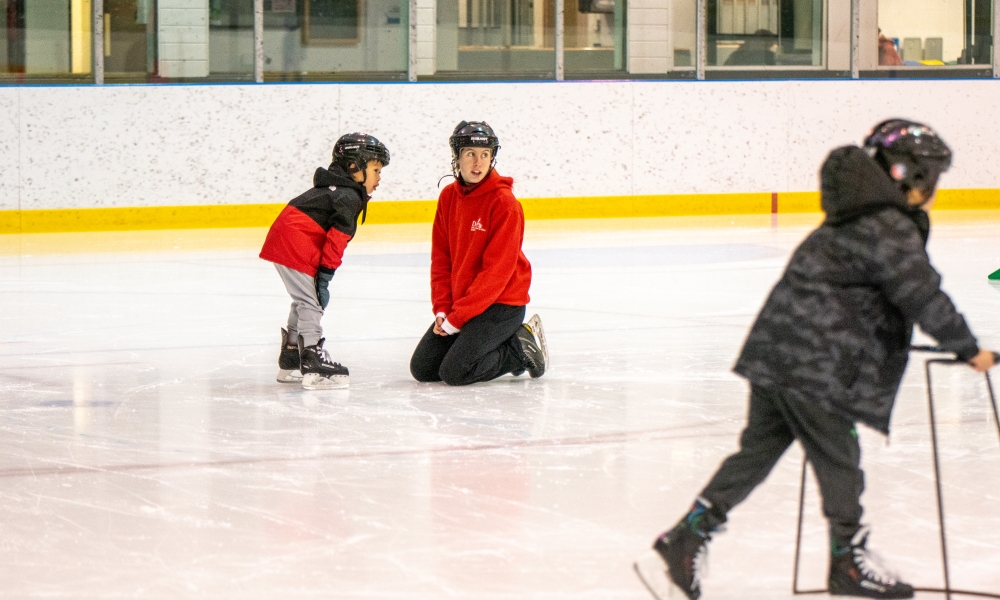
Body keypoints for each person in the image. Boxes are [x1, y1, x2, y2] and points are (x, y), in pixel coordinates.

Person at [633, 119, 996, 600]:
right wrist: (969, 348)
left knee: (757, 453)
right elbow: (921, 294)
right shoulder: (885, 223)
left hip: (776, 355)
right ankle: (847, 562)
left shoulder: (851, 215)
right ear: (909, 176)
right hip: (816, 365)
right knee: (840, 461)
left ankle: (686, 536)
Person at [409, 121, 548, 386]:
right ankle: (496, 342)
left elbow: (495, 274)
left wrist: (457, 319)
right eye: (470, 153)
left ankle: (519, 347)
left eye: (485, 155)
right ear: (457, 157)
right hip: (467, 302)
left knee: (454, 372)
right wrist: (442, 309)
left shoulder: (505, 204)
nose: (478, 163)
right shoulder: (448, 198)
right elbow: (441, 260)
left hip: (501, 305)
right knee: (424, 369)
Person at [260, 133, 389, 390]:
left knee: (304, 299)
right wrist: (326, 276)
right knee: (312, 301)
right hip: (294, 242)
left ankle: (290, 358)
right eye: (375, 170)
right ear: (355, 167)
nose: (379, 178)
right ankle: (311, 357)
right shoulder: (349, 197)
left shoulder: (340, 192)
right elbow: (336, 242)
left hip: (288, 238)